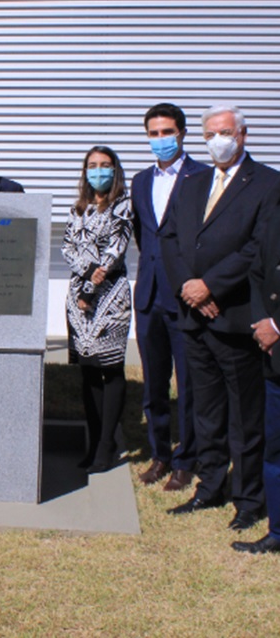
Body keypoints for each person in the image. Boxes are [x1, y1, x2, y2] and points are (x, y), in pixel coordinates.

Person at [162, 105, 280, 531]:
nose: (217, 141)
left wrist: (210, 285)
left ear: (243, 135)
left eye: (225, 132)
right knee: (206, 411)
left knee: (244, 416)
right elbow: (169, 237)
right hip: (195, 317)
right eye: (210, 134)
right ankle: (209, 486)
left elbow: (259, 248)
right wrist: (189, 289)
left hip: (235, 317)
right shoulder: (191, 183)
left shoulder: (267, 183)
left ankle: (248, 499)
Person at [131, 103, 207, 491]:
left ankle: (186, 458)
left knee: (190, 384)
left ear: (182, 133)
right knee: (154, 382)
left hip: (186, 297)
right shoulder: (141, 181)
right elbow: (146, 238)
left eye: (167, 132)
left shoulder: (203, 177)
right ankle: (160, 454)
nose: (160, 140)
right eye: (153, 133)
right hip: (148, 296)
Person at [62, 146, 133, 474]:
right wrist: (85, 276)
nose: (99, 171)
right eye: (93, 165)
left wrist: (91, 285)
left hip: (110, 296)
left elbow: (116, 250)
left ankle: (107, 445)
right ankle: (93, 443)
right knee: (88, 370)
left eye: (105, 165)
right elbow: (66, 246)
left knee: (111, 368)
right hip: (77, 299)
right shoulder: (78, 208)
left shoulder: (123, 205)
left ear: (115, 169)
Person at [236, 207, 280, 553]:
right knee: (274, 446)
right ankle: (277, 531)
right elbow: (257, 274)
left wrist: (276, 324)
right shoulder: (274, 218)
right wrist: (263, 323)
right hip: (273, 356)